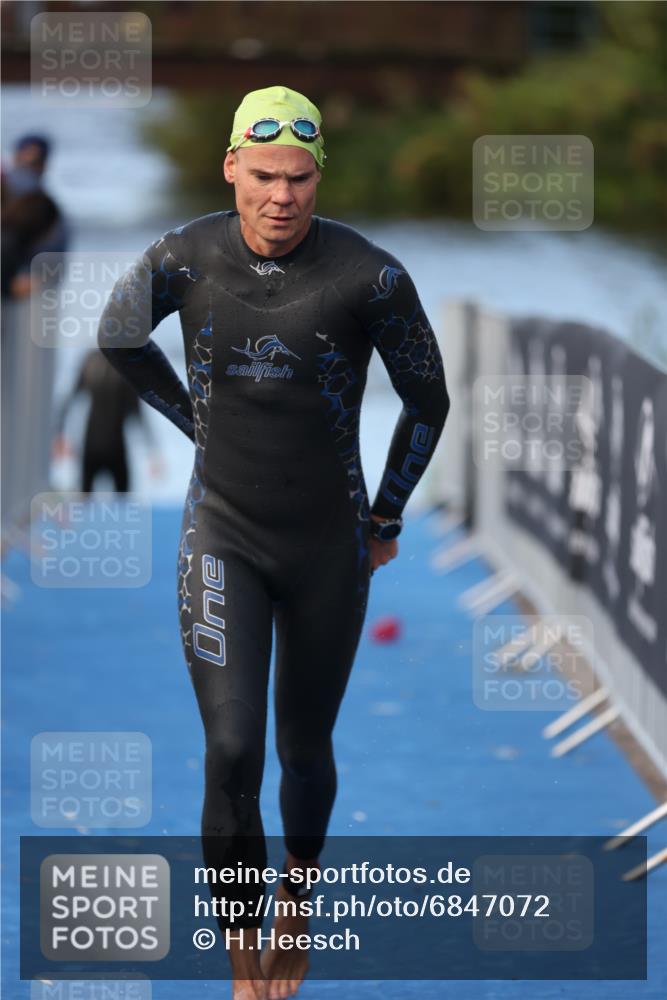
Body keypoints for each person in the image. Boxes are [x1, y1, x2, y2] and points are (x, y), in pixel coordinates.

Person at [98, 86, 450, 1000]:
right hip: (223, 531)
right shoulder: (182, 256)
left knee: (303, 747)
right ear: (231, 168)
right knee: (230, 751)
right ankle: (240, 961)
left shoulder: (370, 277)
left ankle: (297, 892)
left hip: (329, 543)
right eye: (263, 176)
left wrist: (385, 518)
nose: (281, 196)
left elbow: (428, 401)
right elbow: (117, 336)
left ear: (318, 175)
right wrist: (196, 422)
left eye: (298, 177)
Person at [53, 349, 161, 494]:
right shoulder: (92, 362)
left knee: (121, 501)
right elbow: (70, 400)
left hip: (114, 447)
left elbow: (138, 414)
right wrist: (59, 436)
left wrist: (152, 452)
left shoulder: (123, 366)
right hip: (93, 446)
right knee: (86, 498)